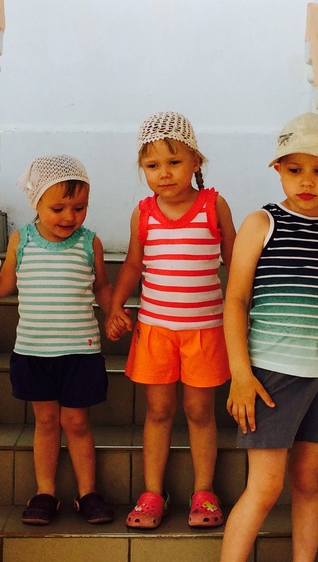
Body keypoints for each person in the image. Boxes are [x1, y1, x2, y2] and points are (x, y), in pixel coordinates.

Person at [218, 112, 318, 562]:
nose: (307, 181)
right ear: (277, 169)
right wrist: (240, 374)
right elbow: (235, 300)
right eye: (295, 169)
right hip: (270, 376)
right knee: (264, 487)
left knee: (310, 481)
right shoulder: (262, 223)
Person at [0, 154, 115, 526]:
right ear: (36, 203)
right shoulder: (22, 239)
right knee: (46, 422)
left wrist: (115, 313)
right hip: (34, 352)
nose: (69, 216)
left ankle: (88, 493)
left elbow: (103, 288)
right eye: (58, 208)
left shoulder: (89, 243)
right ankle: (45, 493)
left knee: (77, 422)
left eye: (79, 207)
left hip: (80, 352)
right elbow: (3, 284)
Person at [106, 111, 236, 529]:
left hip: (204, 331)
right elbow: (132, 265)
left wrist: (245, 311)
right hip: (156, 331)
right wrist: (115, 306)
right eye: (152, 165)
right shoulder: (143, 213)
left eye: (174, 162)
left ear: (196, 161)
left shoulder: (213, 206)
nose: (164, 173)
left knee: (199, 411)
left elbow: (236, 262)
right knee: (159, 410)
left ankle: (204, 492)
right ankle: (152, 493)